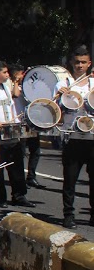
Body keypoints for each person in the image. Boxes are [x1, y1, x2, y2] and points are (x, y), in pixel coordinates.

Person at [0, 60, 33, 209]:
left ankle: (19, 195)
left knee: (16, 166)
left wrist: (16, 81)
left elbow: (15, 96)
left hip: (11, 132)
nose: (7, 74)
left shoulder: (5, 87)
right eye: (4, 72)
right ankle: (0, 197)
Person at [56, 45, 94, 228]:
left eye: (83, 62)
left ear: (89, 64)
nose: (80, 65)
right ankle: (68, 215)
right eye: (77, 62)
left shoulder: (93, 83)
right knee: (70, 180)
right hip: (72, 138)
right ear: (72, 63)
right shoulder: (63, 83)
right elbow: (53, 110)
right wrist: (58, 96)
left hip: (92, 138)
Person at [10, 66, 42, 188]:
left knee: (35, 150)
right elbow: (15, 94)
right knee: (21, 153)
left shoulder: (29, 87)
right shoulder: (13, 86)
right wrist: (17, 82)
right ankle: (20, 179)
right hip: (20, 123)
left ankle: (31, 177)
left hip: (31, 121)